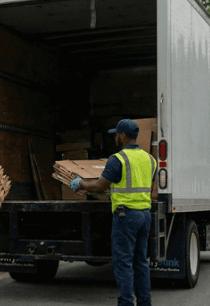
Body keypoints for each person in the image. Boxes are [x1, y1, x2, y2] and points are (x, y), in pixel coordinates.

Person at [69, 119, 156, 306]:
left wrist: (80, 183)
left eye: (117, 134)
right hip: (145, 215)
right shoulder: (150, 159)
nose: (115, 137)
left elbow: (99, 187)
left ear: (123, 136)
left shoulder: (118, 159)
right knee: (140, 261)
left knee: (123, 263)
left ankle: (125, 303)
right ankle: (144, 302)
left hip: (126, 217)